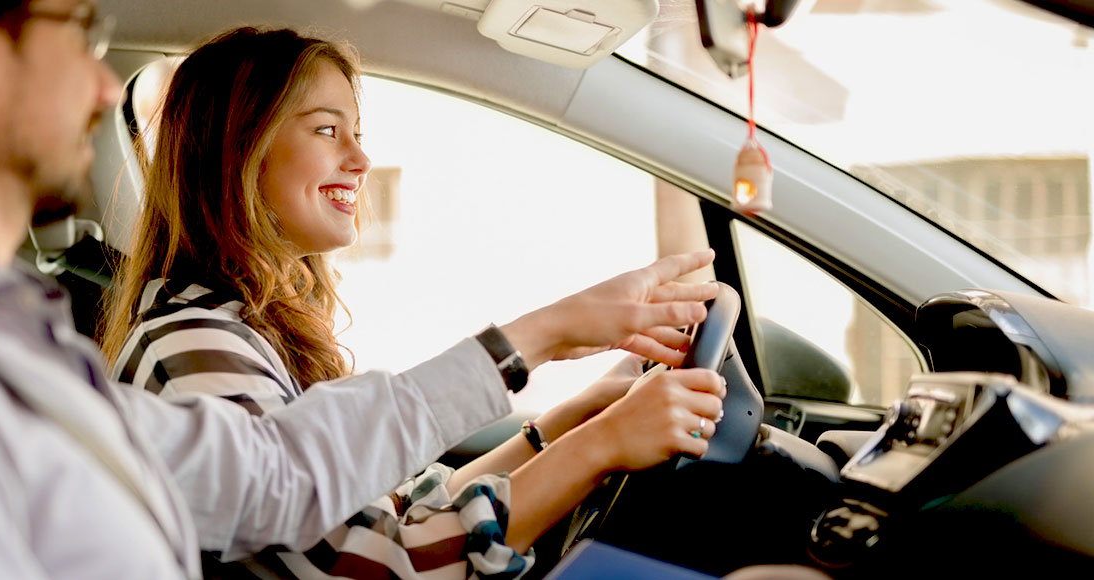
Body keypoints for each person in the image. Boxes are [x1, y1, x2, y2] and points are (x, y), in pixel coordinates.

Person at [0, 0, 722, 578]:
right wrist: (589, 416)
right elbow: (365, 559)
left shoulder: (1, 342)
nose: (100, 83)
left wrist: (576, 403)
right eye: (77, 25)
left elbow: (290, 484)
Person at [101, 27, 729, 579]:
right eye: (326, 129)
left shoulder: (239, 330)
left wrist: (574, 418)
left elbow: (395, 508)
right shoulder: (189, 347)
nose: (361, 159)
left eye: (356, 132)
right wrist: (604, 444)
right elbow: (381, 565)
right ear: (238, 150)